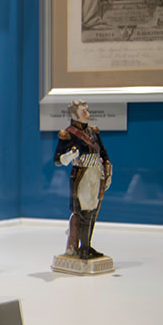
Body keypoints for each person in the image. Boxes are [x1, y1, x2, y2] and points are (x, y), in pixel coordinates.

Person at [54, 100, 112, 260]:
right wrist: (69, 155)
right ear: (74, 114)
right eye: (83, 111)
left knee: (93, 211)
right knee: (84, 212)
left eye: (87, 110)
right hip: (82, 174)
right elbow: (57, 159)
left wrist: (107, 170)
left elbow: (103, 153)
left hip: (96, 173)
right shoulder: (68, 134)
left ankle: (87, 246)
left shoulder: (93, 132)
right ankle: (82, 248)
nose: (87, 114)